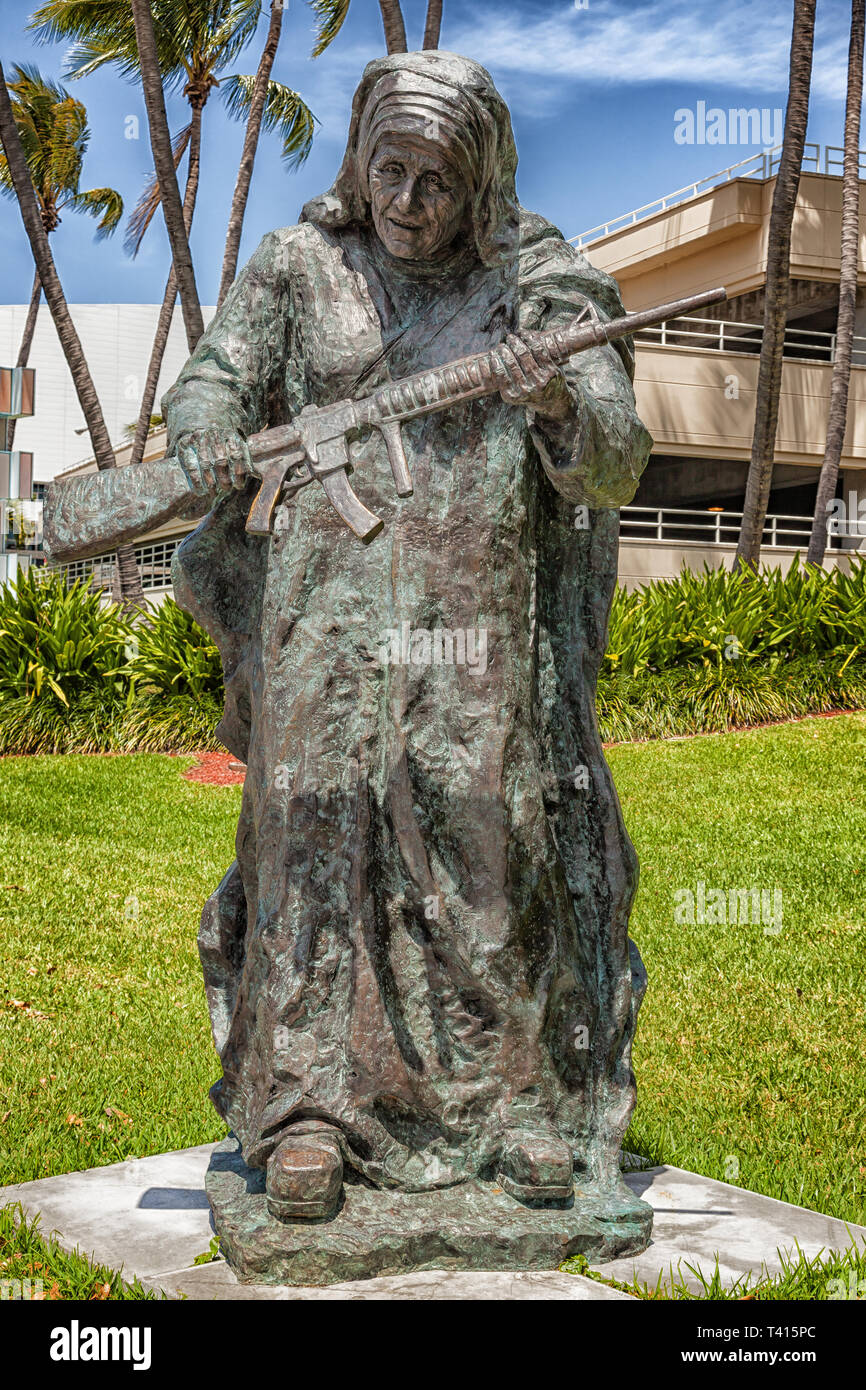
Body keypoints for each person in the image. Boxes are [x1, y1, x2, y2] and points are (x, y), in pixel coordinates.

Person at [163, 50, 653, 1223]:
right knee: (312, 844)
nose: (410, 200)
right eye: (390, 167)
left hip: (471, 621)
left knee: (485, 845)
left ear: (478, 178)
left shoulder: (537, 276)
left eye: (439, 177)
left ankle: (512, 1108)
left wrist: (552, 394)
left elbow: (616, 448)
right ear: (357, 160)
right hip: (322, 618)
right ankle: (304, 1113)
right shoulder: (297, 266)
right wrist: (208, 434)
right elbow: (213, 384)